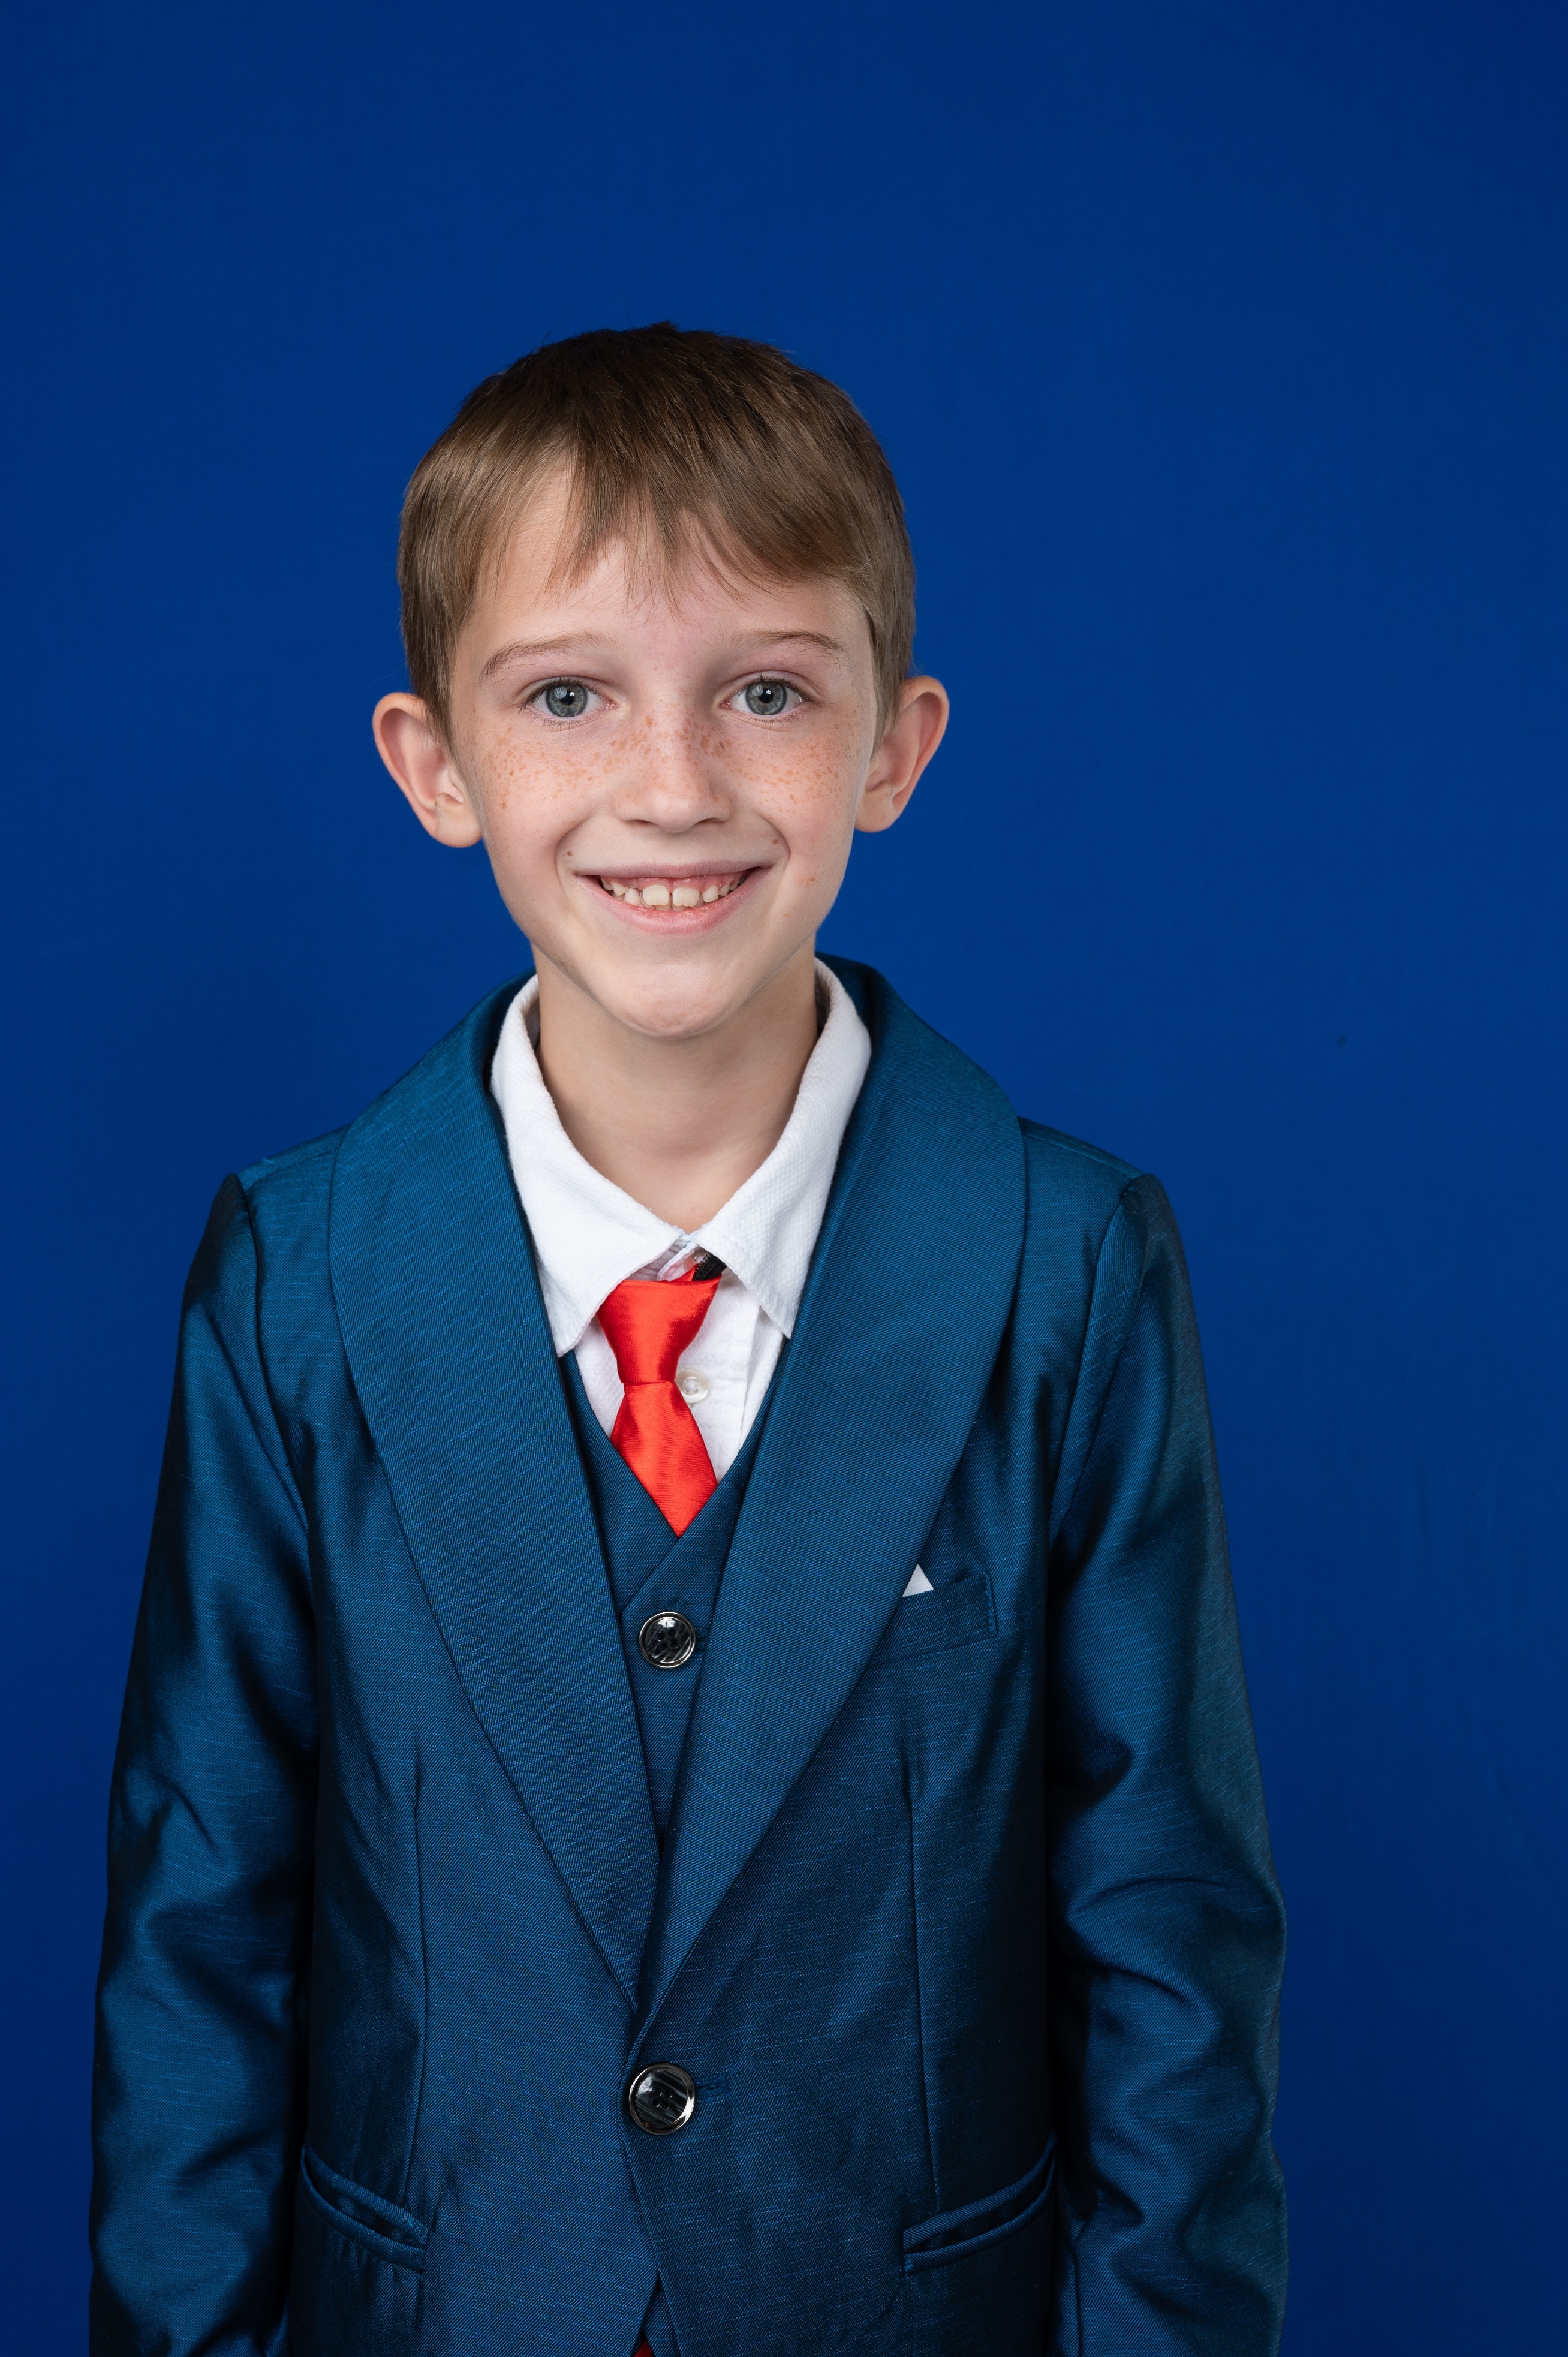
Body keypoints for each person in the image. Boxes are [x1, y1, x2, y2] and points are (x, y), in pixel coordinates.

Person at [89, 323, 1286, 2356]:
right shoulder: (296, 1278)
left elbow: (1170, 1947)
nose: (674, 786)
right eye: (569, 695)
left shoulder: (1067, 1267)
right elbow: (200, 1935)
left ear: (893, 746)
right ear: (436, 765)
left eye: (766, 692)